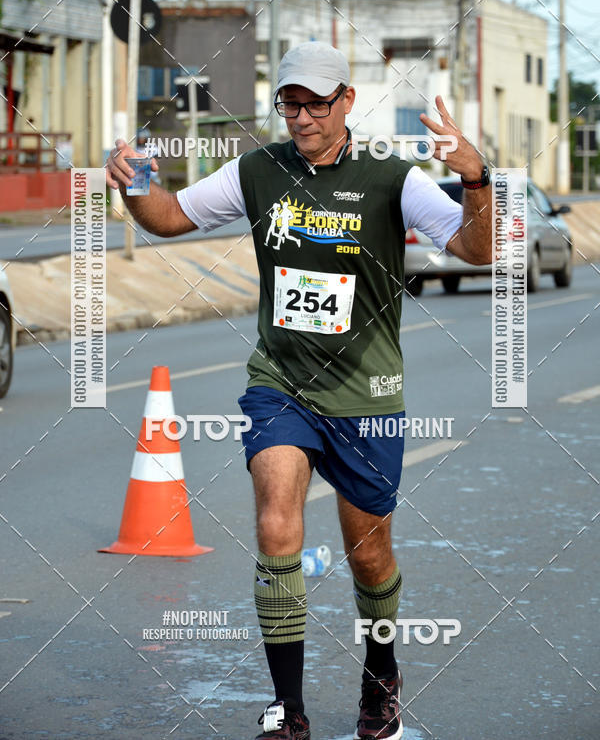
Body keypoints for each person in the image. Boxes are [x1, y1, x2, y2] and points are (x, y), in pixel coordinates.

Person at [106, 41, 492, 740]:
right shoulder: (258, 170)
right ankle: (289, 709)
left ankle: (382, 675)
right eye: (291, 103)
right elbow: (168, 217)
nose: (304, 117)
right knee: (276, 523)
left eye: (317, 103)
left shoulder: (392, 179)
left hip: (366, 395)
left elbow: (478, 250)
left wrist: (476, 179)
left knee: (368, 555)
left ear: (347, 101)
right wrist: (134, 183)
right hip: (281, 384)